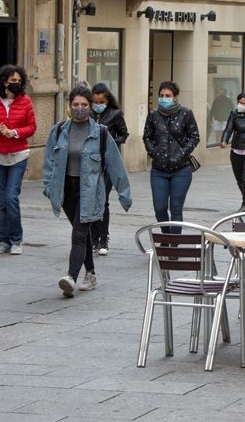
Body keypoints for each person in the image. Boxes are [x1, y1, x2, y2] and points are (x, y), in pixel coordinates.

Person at [43, 86, 131, 297]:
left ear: (90, 107)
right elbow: (49, 161)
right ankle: (90, 274)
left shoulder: (100, 133)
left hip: (90, 190)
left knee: (79, 235)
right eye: (76, 105)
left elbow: (115, 164)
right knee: (82, 235)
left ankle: (71, 277)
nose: (79, 109)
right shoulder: (59, 130)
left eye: (84, 105)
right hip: (66, 190)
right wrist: (48, 187)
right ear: (70, 105)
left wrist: (124, 193)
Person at [0, 65, 37, 255]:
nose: (17, 84)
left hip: (19, 155)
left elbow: (31, 128)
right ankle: (3, 241)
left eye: (19, 82)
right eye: (13, 81)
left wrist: (14, 133)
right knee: (1, 200)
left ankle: (16, 239)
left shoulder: (25, 101)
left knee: (11, 197)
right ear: (4, 82)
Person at [143, 81, 200, 233]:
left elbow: (194, 136)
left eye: (167, 95)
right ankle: (167, 235)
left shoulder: (186, 113)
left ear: (175, 97)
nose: (164, 98)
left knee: (175, 208)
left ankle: (174, 245)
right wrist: (153, 152)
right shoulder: (153, 115)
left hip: (181, 169)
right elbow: (147, 137)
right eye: (161, 95)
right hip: (159, 170)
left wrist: (182, 153)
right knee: (159, 208)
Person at [89, 83, 129, 256]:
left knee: (102, 201)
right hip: (90, 163)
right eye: (95, 101)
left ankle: (103, 238)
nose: (98, 104)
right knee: (90, 201)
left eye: (101, 101)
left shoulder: (115, 114)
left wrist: (112, 141)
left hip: (107, 164)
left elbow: (124, 134)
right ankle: (93, 237)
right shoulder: (88, 114)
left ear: (107, 100)